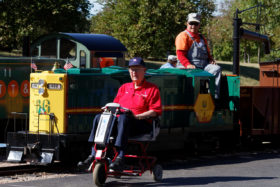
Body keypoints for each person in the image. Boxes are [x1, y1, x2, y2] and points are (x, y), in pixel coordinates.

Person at [78, 57, 162, 171]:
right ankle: (93, 154)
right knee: (99, 117)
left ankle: (120, 157)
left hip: (140, 124)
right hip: (121, 123)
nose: (134, 72)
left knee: (124, 118)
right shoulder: (124, 87)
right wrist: (108, 110)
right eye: (132, 69)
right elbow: (116, 106)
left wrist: (137, 116)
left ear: (144, 71)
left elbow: (155, 111)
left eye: (137, 69)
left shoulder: (152, 89)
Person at [175, 13, 221, 98]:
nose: (193, 26)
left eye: (195, 24)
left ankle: (214, 97)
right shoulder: (183, 36)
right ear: (187, 23)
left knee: (216, 69)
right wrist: (188, 64)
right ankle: (203, 97)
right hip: (188, 66)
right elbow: (180, 55)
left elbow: (207, 54)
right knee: (202, 75)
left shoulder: (202, 38)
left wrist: (211, 60)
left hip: (203, 66)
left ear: (199, 25)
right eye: (191, 23)